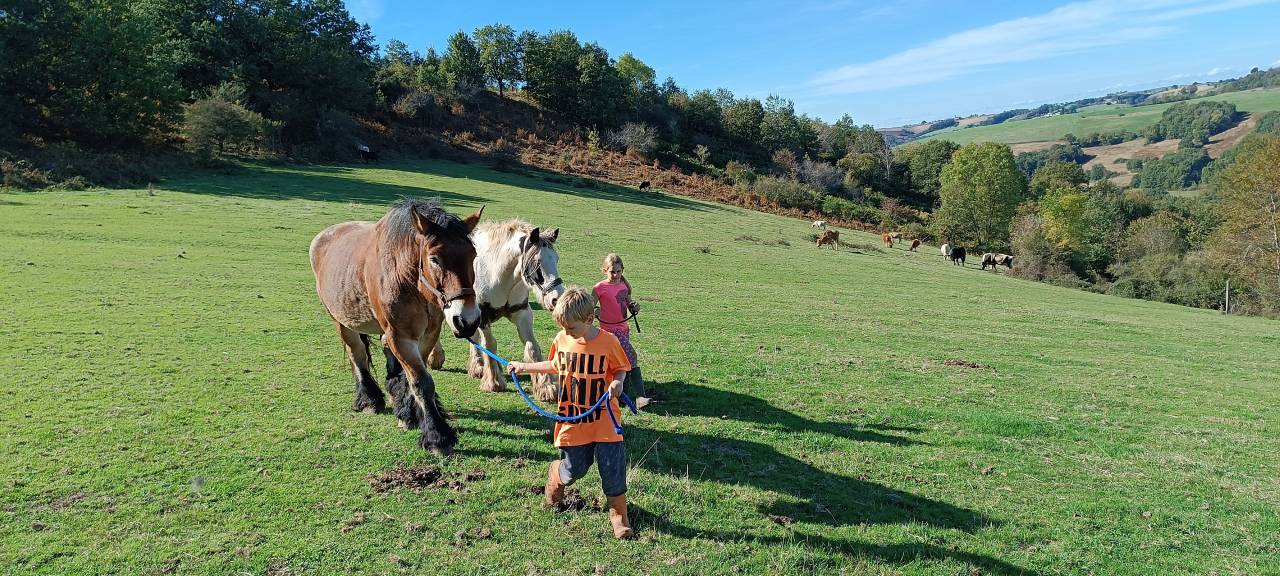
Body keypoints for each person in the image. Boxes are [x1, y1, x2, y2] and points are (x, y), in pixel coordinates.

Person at [510, 287, 635, 539]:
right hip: (573, 419)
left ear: (589, 320)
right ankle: (556, 475)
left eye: (572, 328)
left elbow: (621, 369)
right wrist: (524, 366)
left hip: (604, 420)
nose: (567, 333)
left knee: (613, 466)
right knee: (575, 468)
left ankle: (618, 515)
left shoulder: (608, 342)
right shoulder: (562, 339)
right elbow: (556, 365)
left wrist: (618, 382)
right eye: (564, 328)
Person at [593, 253, 651, 410]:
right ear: (605, 270)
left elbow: (629, 303)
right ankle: (640, 396)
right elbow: (590, 307)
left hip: (623, 329)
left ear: (622, 270)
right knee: (631, 356)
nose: (616, 275)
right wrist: (595, 310)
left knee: (621, 361)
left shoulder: (624, 286)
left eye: (618, 271)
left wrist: (634, 307)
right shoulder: (599, 288)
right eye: (612, 272)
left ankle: (621, 397)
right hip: (609, 331)